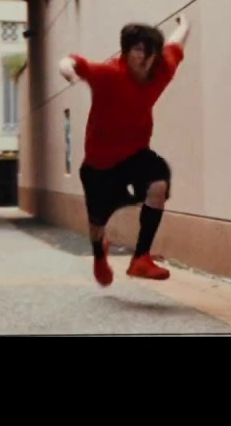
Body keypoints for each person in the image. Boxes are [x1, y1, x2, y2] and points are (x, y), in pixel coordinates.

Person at [59, 15, 190, 286]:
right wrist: (69, 72)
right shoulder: (108, 75)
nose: (146, 58)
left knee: (159, 182)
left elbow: (175, 44)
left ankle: (141, 258)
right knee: (97, 225)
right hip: (99, 165)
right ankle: (99, 254)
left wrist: (184, 25)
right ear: (125, 52)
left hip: (135, 154)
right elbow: (70, 61)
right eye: (138, 50)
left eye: (150, 52)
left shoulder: (161, 70)